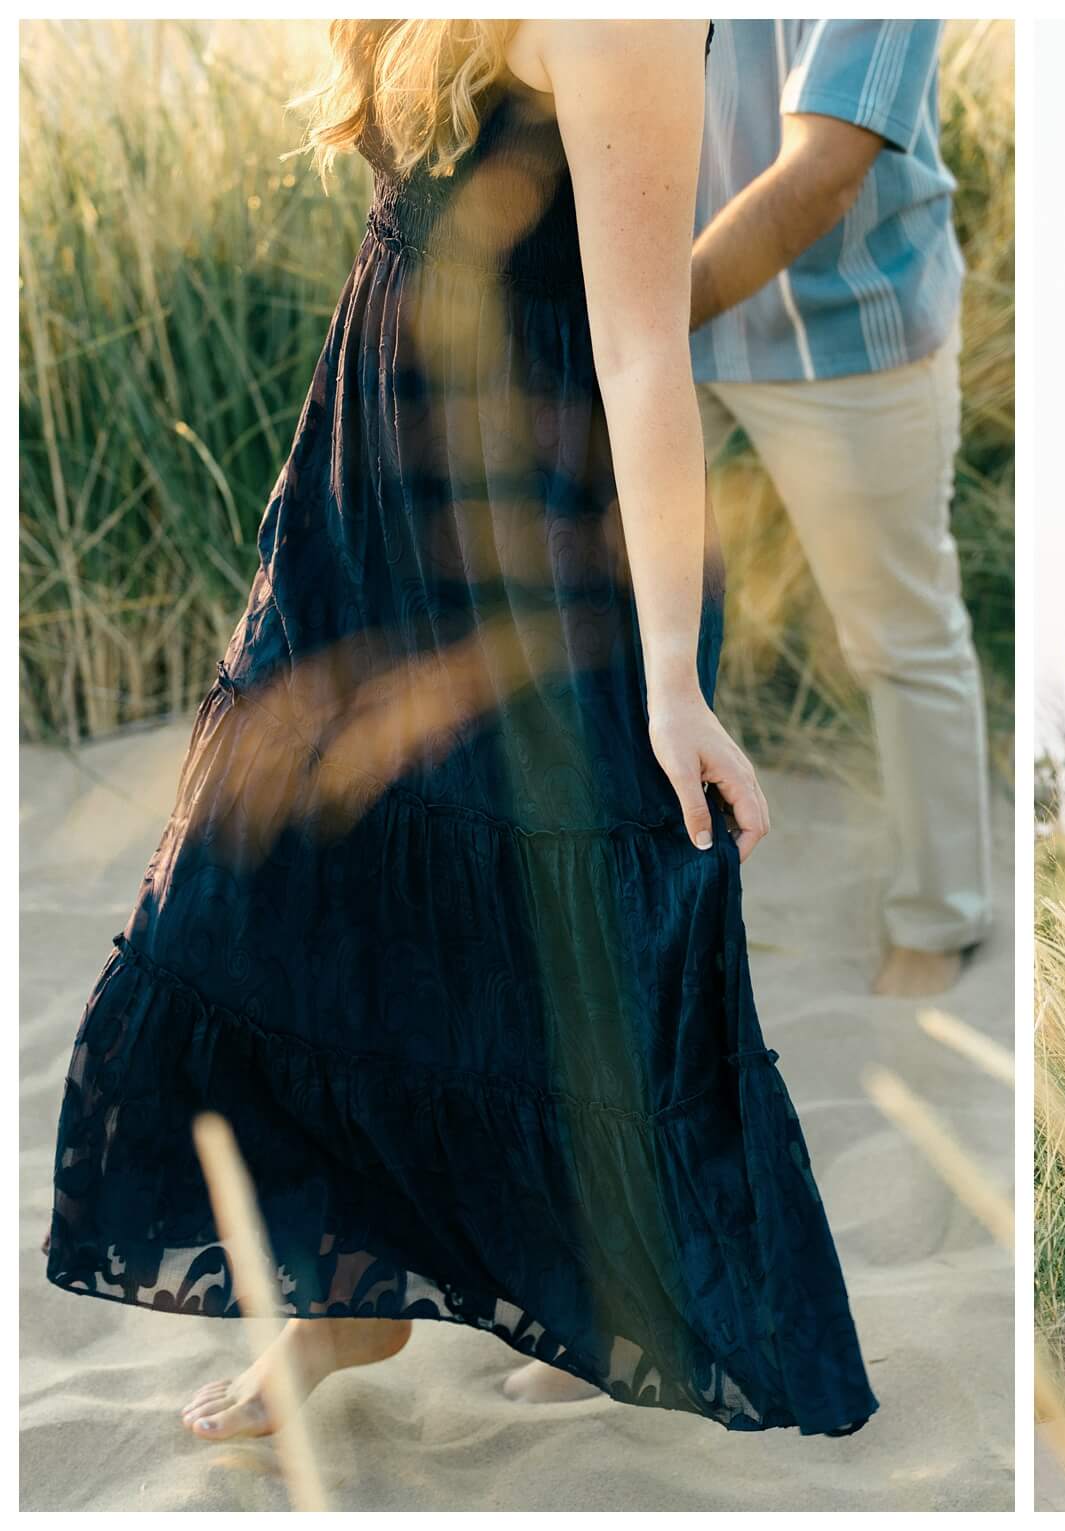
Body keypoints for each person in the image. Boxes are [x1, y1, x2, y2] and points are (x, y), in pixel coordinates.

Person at [42, 18, 878, 1443]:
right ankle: (344, 1299)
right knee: (322, 886)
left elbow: (637, 351)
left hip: (540, 534)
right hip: (379, 484)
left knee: (578, 930)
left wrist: (673, 676)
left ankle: (581, 1296)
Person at [687, 20, 992, 998]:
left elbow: (823, 172)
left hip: (844, 337)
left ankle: (939, 917)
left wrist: (627, 318)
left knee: (899, 634)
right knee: (607, 608)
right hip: (657, 328)